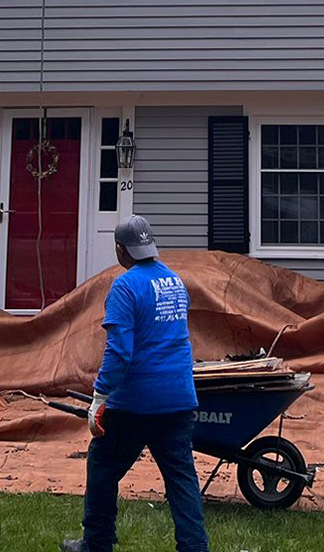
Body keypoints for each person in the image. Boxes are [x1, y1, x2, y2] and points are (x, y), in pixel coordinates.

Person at [63, 215, 208, 552]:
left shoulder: (125, 287)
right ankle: (194, 547)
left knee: (102, 468)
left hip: (134, 404)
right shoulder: (174, 282)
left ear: (120, 250)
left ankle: (96, 543)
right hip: (179, 399)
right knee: (181, 480)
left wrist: (99, 396)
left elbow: (120, 351)